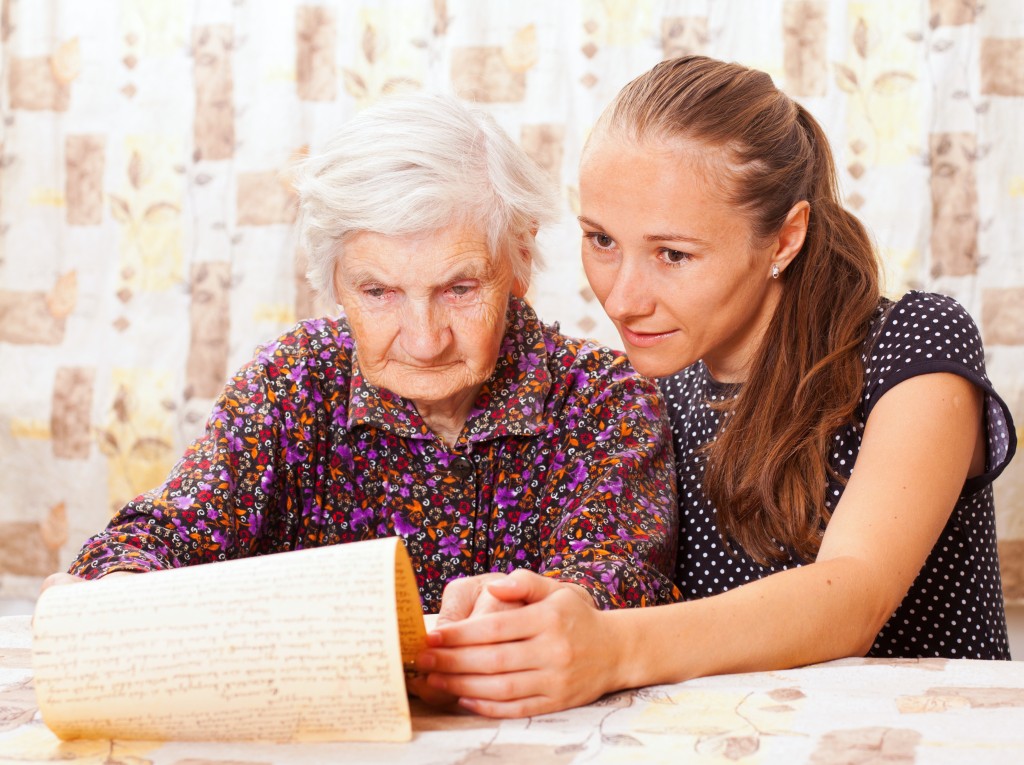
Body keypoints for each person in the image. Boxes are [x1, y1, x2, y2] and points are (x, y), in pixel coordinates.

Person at [416, 55, 1018, 717]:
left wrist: (611, 647)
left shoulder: (916, 341)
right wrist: (517, 619)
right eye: (601, 239)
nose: (621, 298)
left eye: (673, 254)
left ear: (784, 239)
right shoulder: (644, 393)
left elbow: (853, 594)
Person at [43, 94, 679, 621]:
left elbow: (619, 582)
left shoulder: (604, 399)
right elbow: (168, 531)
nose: (425, 339)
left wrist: (551, 609)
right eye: (377, 293)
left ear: (517, 262)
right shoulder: (290, 382)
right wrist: (117, 587)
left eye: (460, 289)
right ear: (334, 283)